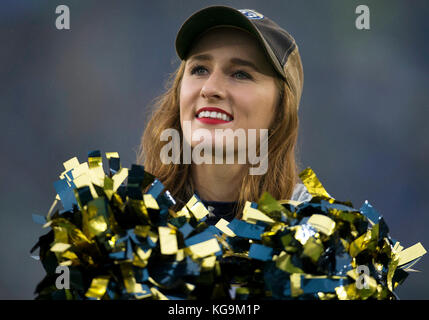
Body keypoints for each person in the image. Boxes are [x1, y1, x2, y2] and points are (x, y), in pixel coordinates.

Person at [137, 6, 311, 225]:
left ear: (280, 109)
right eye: (200, 69)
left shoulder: (326, 239)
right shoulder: (117, 222)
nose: (210, 89)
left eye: (241, 74)